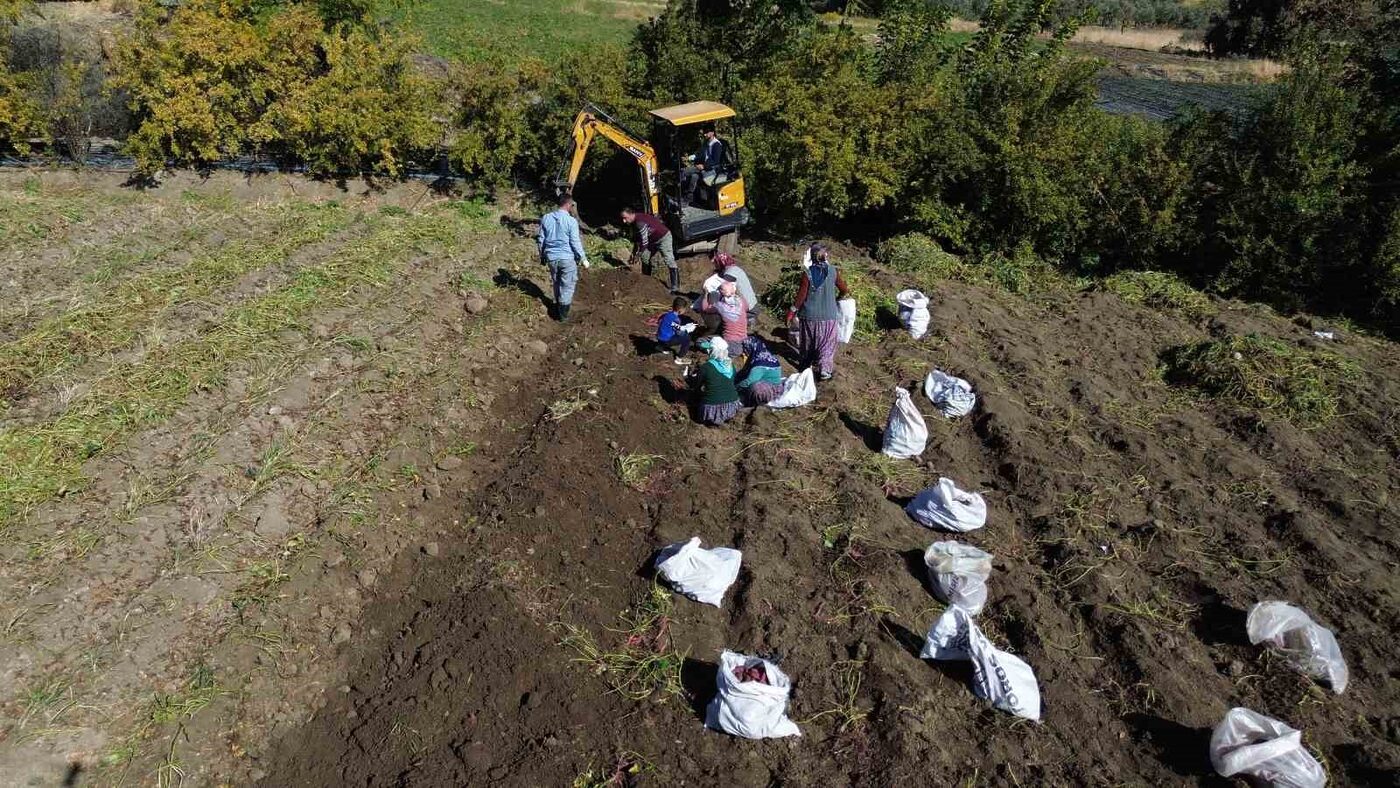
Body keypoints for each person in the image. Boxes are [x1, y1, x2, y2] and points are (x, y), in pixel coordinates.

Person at [786, 242, 849, 381]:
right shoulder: (833, 271)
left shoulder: (807, 273)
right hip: (828, 317)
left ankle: (804, 367)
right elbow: (844, 289)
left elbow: (801, 296)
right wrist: (838, 297)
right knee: (827, 344)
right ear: (825, 255)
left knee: (808, 344)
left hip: (809, 316)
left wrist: (792, 311)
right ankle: (825, 370)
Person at [537, 194, 589, 322]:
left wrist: (542, 255)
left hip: (551, 258)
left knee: (556, 282)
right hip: (566, 258)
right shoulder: (571, 221)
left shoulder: (546, 218)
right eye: (572, 205)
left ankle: (558, 306)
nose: (572, 207)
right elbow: (575, 242)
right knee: (568, 285)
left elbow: (541, 240)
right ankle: (563, 315)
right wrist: (583, 258)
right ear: (568, 204)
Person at [621, 207, 679, 293]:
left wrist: (638, 255)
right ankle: (647, 280)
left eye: (625, 218)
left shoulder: (639, 222)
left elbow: (644, 242)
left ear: (631, 214)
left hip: (663, 237)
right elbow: (637, 240)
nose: (624, 221)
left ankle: (675, 287)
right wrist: (634, 254)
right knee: (645, 257)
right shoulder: (633, 223)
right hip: (652, 240)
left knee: (669, 259)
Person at [689, 338, 741, 426]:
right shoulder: (731, 365)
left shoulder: (706, 367)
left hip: (712, 410)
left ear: (712, 351)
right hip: (732, 406)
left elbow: (696, 386)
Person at [712, 252, 759, 329]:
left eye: (716, 263)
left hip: (748, 309)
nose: (715, 266)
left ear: (721, 262)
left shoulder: (729, 273)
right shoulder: (735, 268)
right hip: (753, 304)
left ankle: (746, 321)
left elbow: (725, 292)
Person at [681, 127, 726, 207]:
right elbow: (700, 154)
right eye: (704, 133)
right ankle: (688, 199)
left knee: (684, 172)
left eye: (706, 132)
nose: (705, 134)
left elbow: (716, 161)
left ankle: (680, 193)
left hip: (712, 170)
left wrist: (704, 166)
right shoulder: (706, 143)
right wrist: (691, 158)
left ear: (712, 133)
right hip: (704, 167)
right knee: (694, 177)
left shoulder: (717, 145)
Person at [737, 336, 784, 406]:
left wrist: (736, 388)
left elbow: (749, 381)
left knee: (755, 387)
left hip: (772, 389)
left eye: (745, 349)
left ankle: (753, 403)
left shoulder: (759, 363)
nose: (744, 352)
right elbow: (745, 370)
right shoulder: (762, 355)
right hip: (770, 383)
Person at [701, 279, 750, 345]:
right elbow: (747, 308)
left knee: (700, 341)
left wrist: (705, 295)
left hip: (729, 340)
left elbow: (705, 308)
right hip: (744, 339)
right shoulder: (742, 301)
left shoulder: (721, 306)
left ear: (721, 293)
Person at [656, 296, 696, 365]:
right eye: (684, 309)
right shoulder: (676, 319)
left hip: (659, 337)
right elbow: (679, 332)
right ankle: (679, 358)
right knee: (687, 339)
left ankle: (660, 347)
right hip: (666, 340)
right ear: (680, 310)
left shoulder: (667, 314)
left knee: (666, 331)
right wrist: (688, 329)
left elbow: (662, 322)